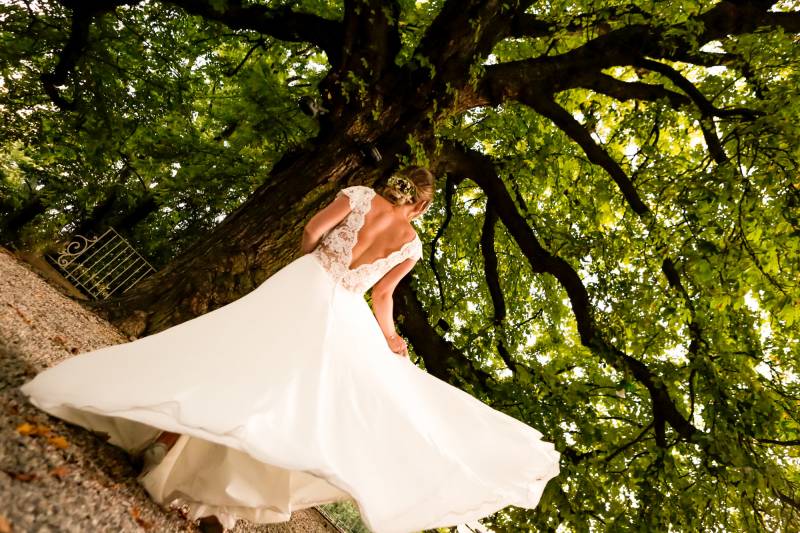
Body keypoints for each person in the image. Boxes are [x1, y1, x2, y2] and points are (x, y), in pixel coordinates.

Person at [19, 166, 560, 533]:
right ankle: (215, 491)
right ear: (420, 203)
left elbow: (311, 230)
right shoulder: (412, 244)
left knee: (233, 357)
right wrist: (391, 338)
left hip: (305, 284)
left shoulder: (359, 197)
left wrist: (315, 261)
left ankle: (165, 436)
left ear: (393, 186)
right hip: (344, 312)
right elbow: (383, 295)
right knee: (291, 394)